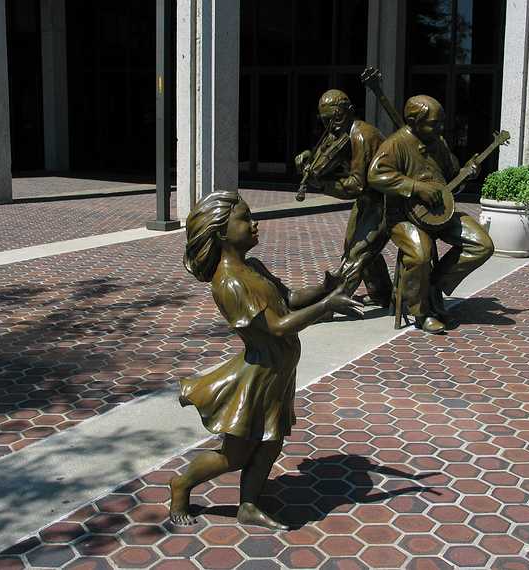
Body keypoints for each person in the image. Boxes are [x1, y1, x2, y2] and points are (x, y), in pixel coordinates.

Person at [171, 191, 362, 529]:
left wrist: (321, 289)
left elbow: (288, 299)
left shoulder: (252, 267)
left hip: (279, 372)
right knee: (236, 453)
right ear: (221, 233)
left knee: (271, 442)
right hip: (257, 374)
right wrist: (327, 306)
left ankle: (249, 505)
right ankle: (181, 486)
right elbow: (276, 326)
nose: (254, 223)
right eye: (244, 219)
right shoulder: (229, 282)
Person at [367, 95, 494, 334]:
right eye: (434, 123)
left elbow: (452, 177)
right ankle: (421, 311)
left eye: (440, 123)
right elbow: (375, 176)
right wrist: (416, 187)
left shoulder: (439, 142)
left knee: (482, 245)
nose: (440, 128)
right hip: (403, 217)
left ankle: (434, 283)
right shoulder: (395, 144)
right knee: (420, 255)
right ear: (414, 121)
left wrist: (467, 173)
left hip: (440, 214)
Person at [295, 89, 392, 308]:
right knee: (357, 246)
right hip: (368, 200)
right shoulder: (339, 133)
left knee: (359, 251)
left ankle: (332, 302)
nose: (330, 126)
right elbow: (324, 160)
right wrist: (309, 159)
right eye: (325, 120)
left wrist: (323, 185)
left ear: (347, 112)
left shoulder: (362, 135)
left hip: (386, 200)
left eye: (334, 119)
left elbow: (356, 185)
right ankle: (382, 293)